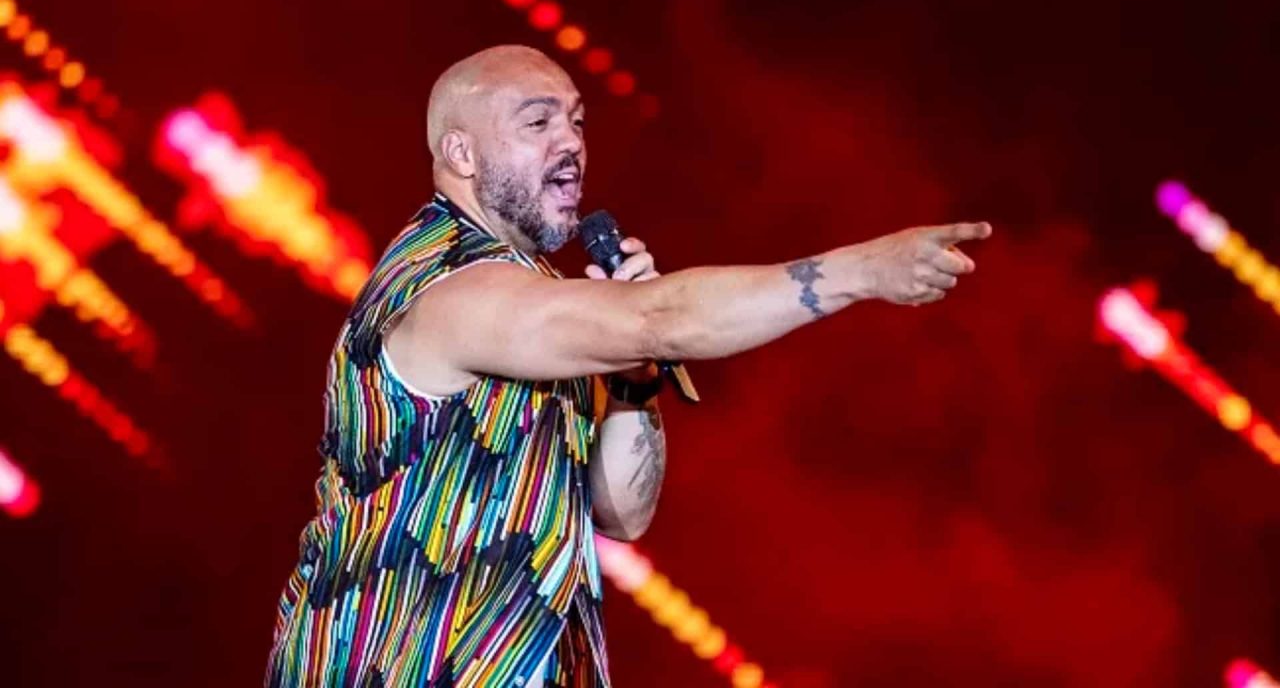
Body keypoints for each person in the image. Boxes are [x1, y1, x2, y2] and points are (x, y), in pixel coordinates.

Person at [265, 45, 991, 688]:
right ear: (462, 153)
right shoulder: (450, 288)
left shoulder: (537, 298)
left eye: (577, 122)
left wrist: (635, 379)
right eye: (538, 122)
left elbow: (622, 514)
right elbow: (664, 316)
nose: (571, 143)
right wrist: (862, 271)